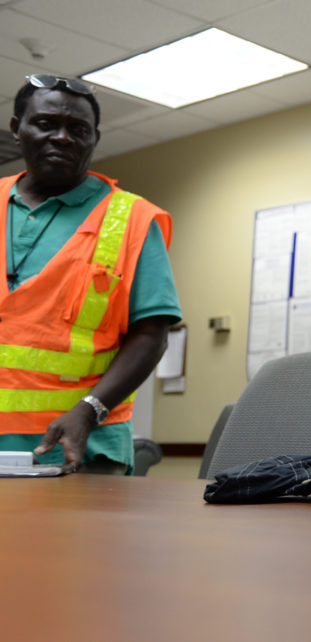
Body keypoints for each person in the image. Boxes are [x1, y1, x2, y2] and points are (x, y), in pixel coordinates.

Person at [2, 74, 181, 474]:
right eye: (46, 124)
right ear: (17, 129)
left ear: (94, 139)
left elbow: (151, 335)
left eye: (78, 129)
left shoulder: (133, 218)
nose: (62, 138)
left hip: (82, 446)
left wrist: (90, 410)